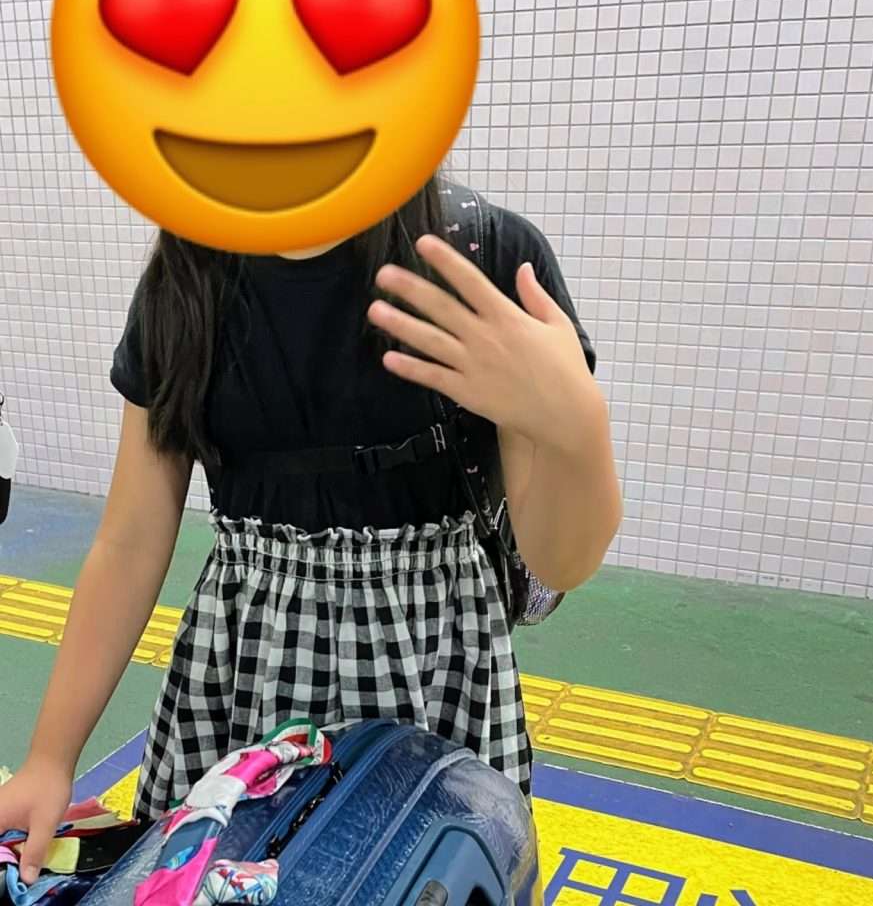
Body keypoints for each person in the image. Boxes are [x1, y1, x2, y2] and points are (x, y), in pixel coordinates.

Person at [0, 176, 621, 882]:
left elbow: (558, 560)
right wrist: (50, 758)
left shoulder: (481, 256)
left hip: (433, 676)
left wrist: (579, 427)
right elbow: (130, 539)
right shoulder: (187, 276)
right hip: (242, 680)